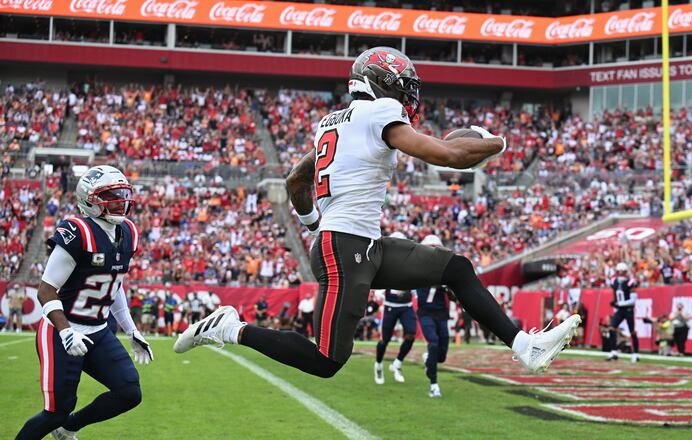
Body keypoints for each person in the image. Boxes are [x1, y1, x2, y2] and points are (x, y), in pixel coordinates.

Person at [173, 46, 580, 379]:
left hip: (361, 245)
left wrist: (314, 225)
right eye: (403, 89)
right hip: (346, 247)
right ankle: (230, 327)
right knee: (326, 361)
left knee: (455, 269)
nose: (407, 98)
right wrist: (498, 143)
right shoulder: (378, 112)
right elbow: (450, 156)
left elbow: (297, 178)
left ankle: (526, 347)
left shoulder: (330, 123)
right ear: (381, 83)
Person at [16, 165, 153, 440]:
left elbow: (114, 285)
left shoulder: (129, 232)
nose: (120, 201)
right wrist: (66, 332)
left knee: (129, 391)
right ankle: (59, 423)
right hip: (61, 330)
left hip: (98, 330)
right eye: (111, 195)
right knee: (57, 410)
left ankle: (68, 429)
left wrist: (131, 329)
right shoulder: (77, 231)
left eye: (122, 194)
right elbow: (45, 290)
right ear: (89, 200)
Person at [374, 231, 418, 385]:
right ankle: (378, 365)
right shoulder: (384, 260)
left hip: (406, 305)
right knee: (384, 339)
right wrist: (379, 293)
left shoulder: (410, 261)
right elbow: (376, 278)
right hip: (391, 305)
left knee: (411, 334)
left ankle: (397, 363)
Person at [416, 235, 453, 398]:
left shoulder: (445, 271)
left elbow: (454, 296)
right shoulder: (417, 269)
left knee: (441, 355)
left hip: (441, 314)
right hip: (426, 313)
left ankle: (429, 361)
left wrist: (449, 288)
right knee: (433, 344)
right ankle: (434, 385)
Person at [607, 263, 640, 363]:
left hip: (628, 309)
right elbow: (616, 295)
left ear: (626, 272)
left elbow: (633, 299)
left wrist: (620, 303)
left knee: (632, 331)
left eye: (623, 272)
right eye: (619, 272)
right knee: (612, 328)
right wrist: (616, 304)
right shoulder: (614, 281)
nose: (621, 274)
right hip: (620, 310)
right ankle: (614, 352)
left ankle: (636, 354)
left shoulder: (630, 282)